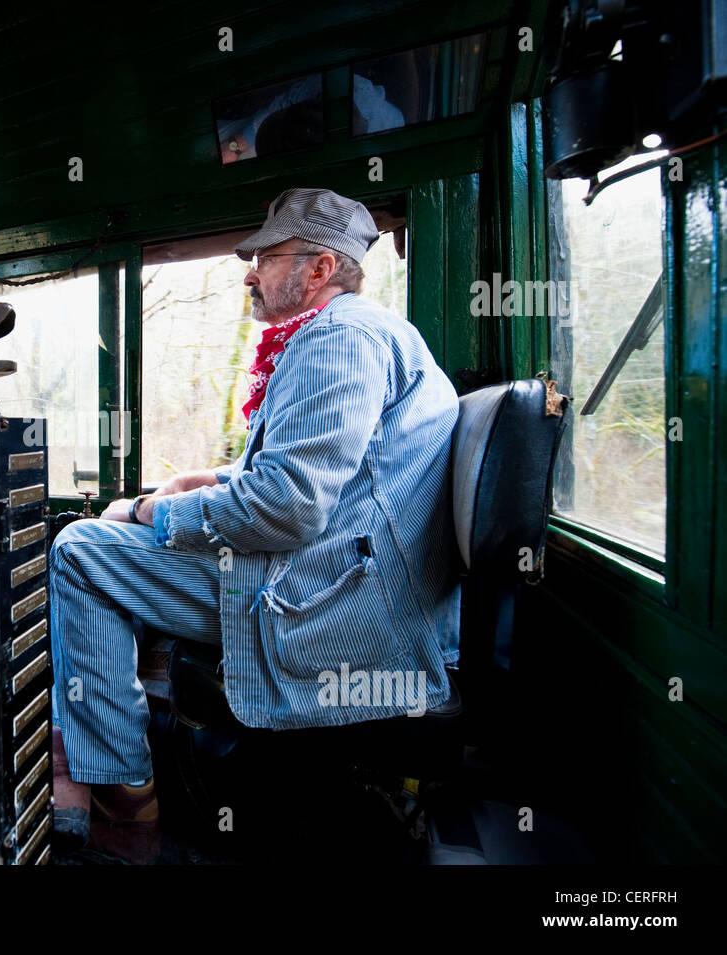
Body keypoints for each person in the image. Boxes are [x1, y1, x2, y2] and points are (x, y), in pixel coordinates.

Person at [49, 187, 461, 864]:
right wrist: (203, 482)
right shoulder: (364, 334)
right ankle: (110, 761)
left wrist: (154, 512)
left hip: (331, 603)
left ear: (320, 269)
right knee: (116, 541)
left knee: (78, 549)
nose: (249, 272)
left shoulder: (339, 338)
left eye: (265, 258)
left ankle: (122, 798)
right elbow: (314, 477)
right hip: (348, 579)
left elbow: (289, 504)